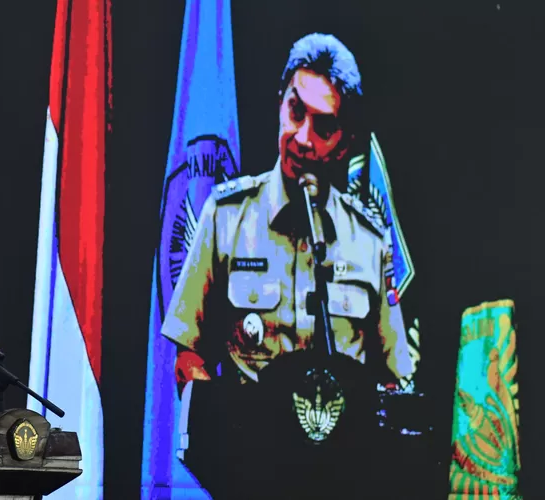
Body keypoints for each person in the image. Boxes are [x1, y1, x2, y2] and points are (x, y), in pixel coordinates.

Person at [161, 33, 416, 495]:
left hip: (343, 478)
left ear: (346, 141)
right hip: (250, 473)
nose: (302, 137)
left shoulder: (368, 239)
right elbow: (188, 353)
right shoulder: (226, 216)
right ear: (280, 102)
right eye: (296, 111)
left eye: (323, 126)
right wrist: (229, 446)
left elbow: (394, 377)